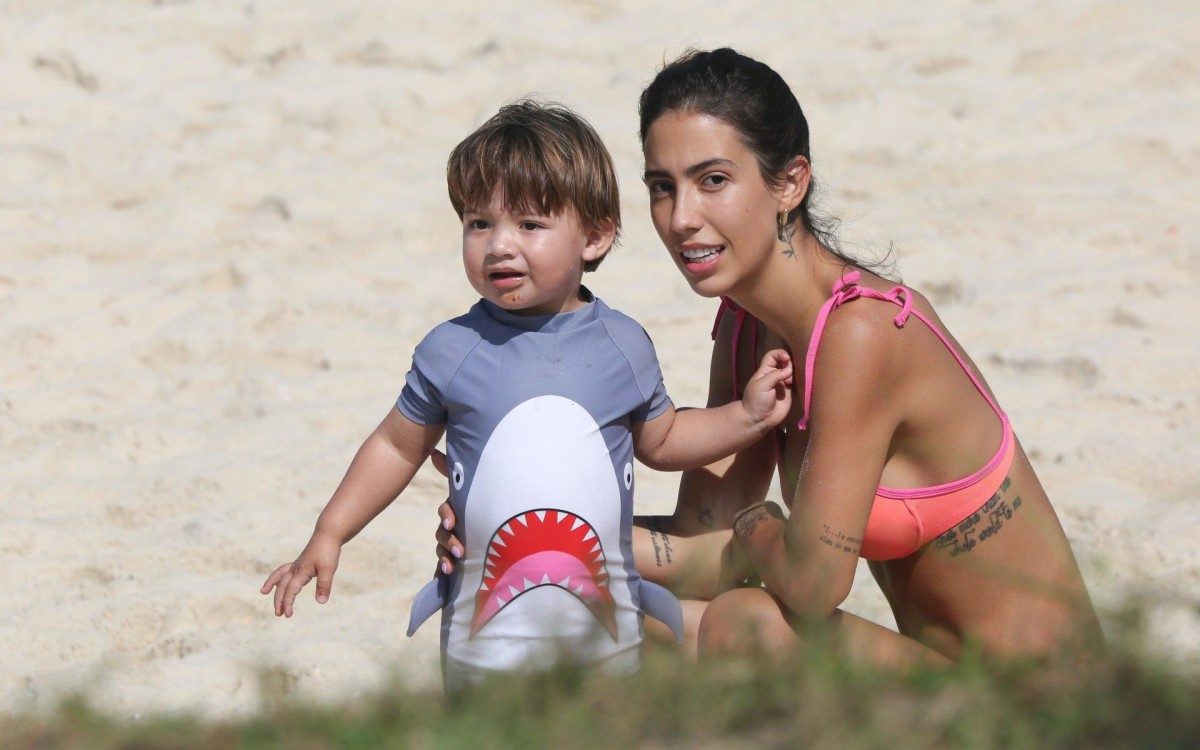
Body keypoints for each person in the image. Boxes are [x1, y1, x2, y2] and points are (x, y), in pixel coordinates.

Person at [436, 50, 1103, 667]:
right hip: (936, 686)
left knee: (748, 624)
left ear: (789, 184)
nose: (681, 218)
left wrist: (759, 528)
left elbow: (812, 584)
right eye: (663, 186)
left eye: (714, 180)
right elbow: (706, 543)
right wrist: (521, 527)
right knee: (622, 610)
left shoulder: (864, 333)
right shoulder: (747, 326)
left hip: (1043, 717)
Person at [260, 100, 794, 690]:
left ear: (595, 236)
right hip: (483, 640)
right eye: (478, 222)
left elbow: (663, 439)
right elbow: (394, 444)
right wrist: (330, 532)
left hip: (606, 640)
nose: (498, 246)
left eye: (530, 225)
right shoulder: (452, 348)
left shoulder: (622, 345)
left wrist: (745, 416)